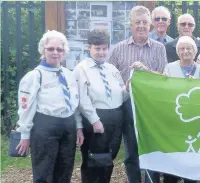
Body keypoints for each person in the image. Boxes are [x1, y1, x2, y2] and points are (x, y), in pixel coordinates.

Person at [133, 36, 200, 183]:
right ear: (177, 52)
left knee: (191, 160)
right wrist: (142, 72)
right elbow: (162, 86)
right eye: (182, 48)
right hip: (174, 121)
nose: (185, 51)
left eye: (189, 48)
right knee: (173, 160)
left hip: (194, 122)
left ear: (195, 51)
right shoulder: (170, 67)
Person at [108, 5, 168, 183]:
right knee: (131, 150)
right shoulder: (119, 48)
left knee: (152, 148)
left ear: (150, 24)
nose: (141, 26)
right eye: (137, 22)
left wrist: (147, 71)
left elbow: (164, 76)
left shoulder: (159, 48)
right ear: (130, 25)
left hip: (151, 106)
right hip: (128, 104)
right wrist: (123, 86)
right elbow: (111, 76)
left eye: (144, 22)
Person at [16, 30, 84, 183]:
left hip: (68, 126)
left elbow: (75, 103)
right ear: (43, 50)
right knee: (44, 172)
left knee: (65, 170)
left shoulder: (68, 74)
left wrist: (78, 126)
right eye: (51, 49)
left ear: (64, 52)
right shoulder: (34, 76)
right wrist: (25, 135)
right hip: (45, 127)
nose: (55, 53)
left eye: (59, 49)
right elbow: (25, 109)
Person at [74, 30, 127, 183]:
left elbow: (121, 95)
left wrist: (128, 89)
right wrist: (94, 120)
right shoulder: (82, 69)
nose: (101, 52)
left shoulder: (112, 69)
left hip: (116, 118)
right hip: (95, 120)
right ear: (89, 48)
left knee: (108, 160)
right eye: (97, 49)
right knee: (93, 162)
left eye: (104, 48)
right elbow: (82, 99)